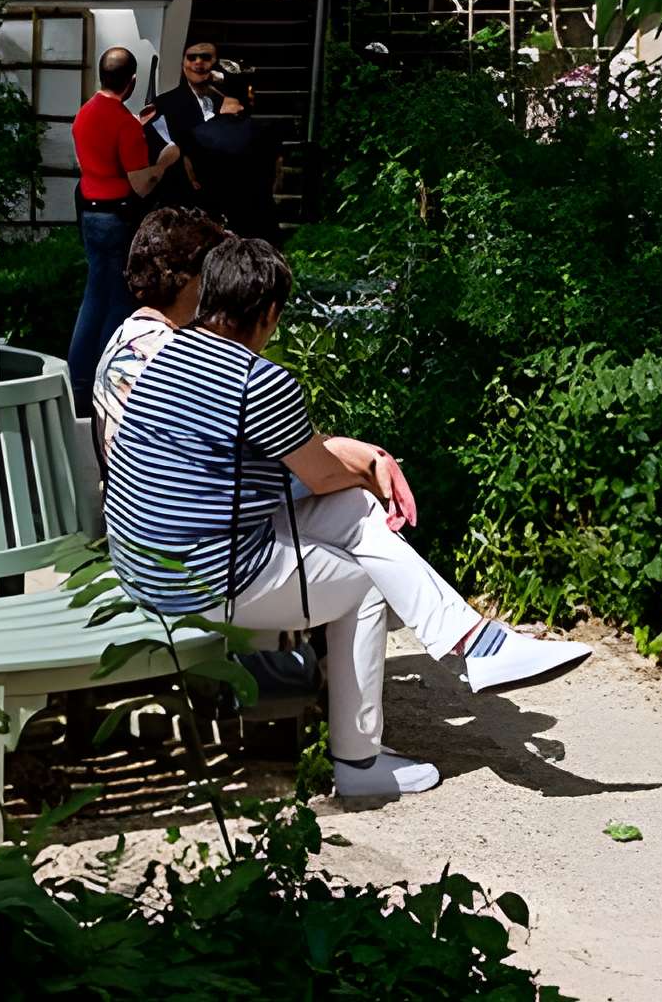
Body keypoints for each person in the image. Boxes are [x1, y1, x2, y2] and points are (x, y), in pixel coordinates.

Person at [104, 239, 591, 803]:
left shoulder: (165, 357)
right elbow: (319, 474)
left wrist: (363, 470)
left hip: (144, 561)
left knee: (359, 512)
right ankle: (360, 765)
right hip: (204, 577)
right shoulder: (257, 381)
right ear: (268, 315)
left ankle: (477, 643)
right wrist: (371, 463)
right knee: (367, 584)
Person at [69, 46, 180, 409]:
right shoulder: (125, 124)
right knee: (118, 299)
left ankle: (79, 378)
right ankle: (104, 380)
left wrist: (135, 124)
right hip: (117, 217)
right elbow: (141, 184)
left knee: (94, 294)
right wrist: (163, 162)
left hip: (89, 212)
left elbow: (104, 146)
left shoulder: (85, 113)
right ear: (132, 81)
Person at [92, 205, 229, 454]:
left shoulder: (128, 334)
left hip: (126, 488)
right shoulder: (172, 352)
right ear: (190, 279)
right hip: (167, 490)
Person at [182, 63, 282, 245]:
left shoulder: (196, 135)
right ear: (249, 91)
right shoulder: (268, 131)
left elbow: (192, 180)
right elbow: (278, 178)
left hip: (213, 233)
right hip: (260, 232)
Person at [142, 37, 220, 205]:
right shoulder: (164, 104)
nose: (198, 62)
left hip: (220, 195)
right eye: (191, 57)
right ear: (183, 63)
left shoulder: (227, 104)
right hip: (180, 198)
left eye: (206, 57)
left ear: (216, 63)